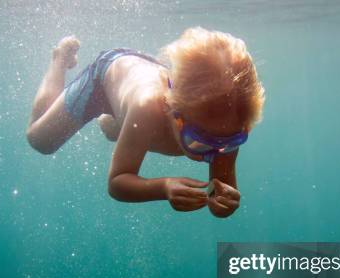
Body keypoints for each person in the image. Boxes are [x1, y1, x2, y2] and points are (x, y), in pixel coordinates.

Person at [27, 27, 265, 217]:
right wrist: (164, 187)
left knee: (115, 132)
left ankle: (114, 122)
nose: (215, 152)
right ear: (173, 110)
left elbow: (219, 195)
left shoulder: (229, 120)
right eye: (199, 143)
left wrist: (223, 203)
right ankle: (59, 60)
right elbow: (117, 182)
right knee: (40, 141)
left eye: (231, 142)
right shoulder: (147, 108)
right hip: (105, 78)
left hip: (137, 86)